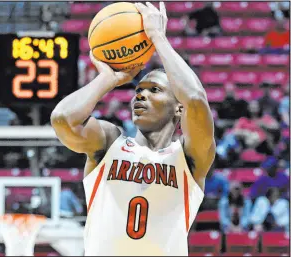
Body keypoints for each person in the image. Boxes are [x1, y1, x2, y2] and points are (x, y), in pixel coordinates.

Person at [51, 2, 215, 256]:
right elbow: (62, 119)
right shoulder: (109, 143)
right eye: (139, 90)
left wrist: (157, 38)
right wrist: (107, 79)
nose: (140, 95)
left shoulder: (189, 158)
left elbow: (195, 98)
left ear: (178, 109)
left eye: (154, 90)